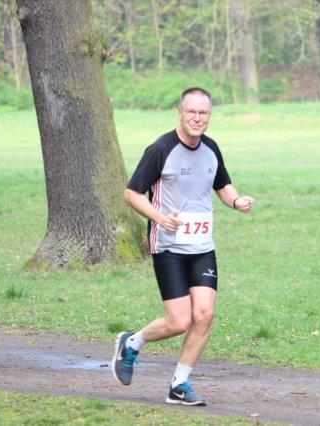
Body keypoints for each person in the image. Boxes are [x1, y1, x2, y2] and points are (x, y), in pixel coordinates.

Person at [112, 87, 254, 406]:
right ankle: (132, 343)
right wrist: (160, 219)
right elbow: (131, 193)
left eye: (203, 113)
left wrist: (237, 201)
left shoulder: (211, 148)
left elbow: (222, 184)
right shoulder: (161, 149)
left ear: (209, 116)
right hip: (169, 247)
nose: (197, 118)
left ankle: (179, 385)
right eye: (191, 111)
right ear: (180, 111)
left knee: (204, 314)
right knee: (179, 322)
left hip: (202, 246)